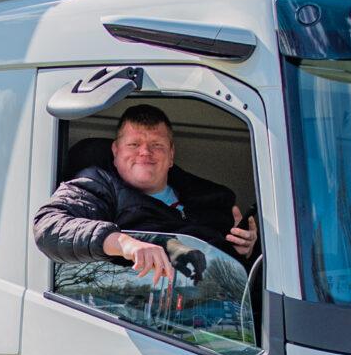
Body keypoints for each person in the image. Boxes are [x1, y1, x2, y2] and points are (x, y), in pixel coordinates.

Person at [33, 104, 259, 277]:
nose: (145, 152)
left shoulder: (210, 199)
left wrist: (244, 250)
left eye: (156, 145)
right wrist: (124, 244)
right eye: (134, 144)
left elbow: (227, 275)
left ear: (171, 155)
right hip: (140, 321)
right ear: (115, 150)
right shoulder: (97, 185)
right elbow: (49, 226)